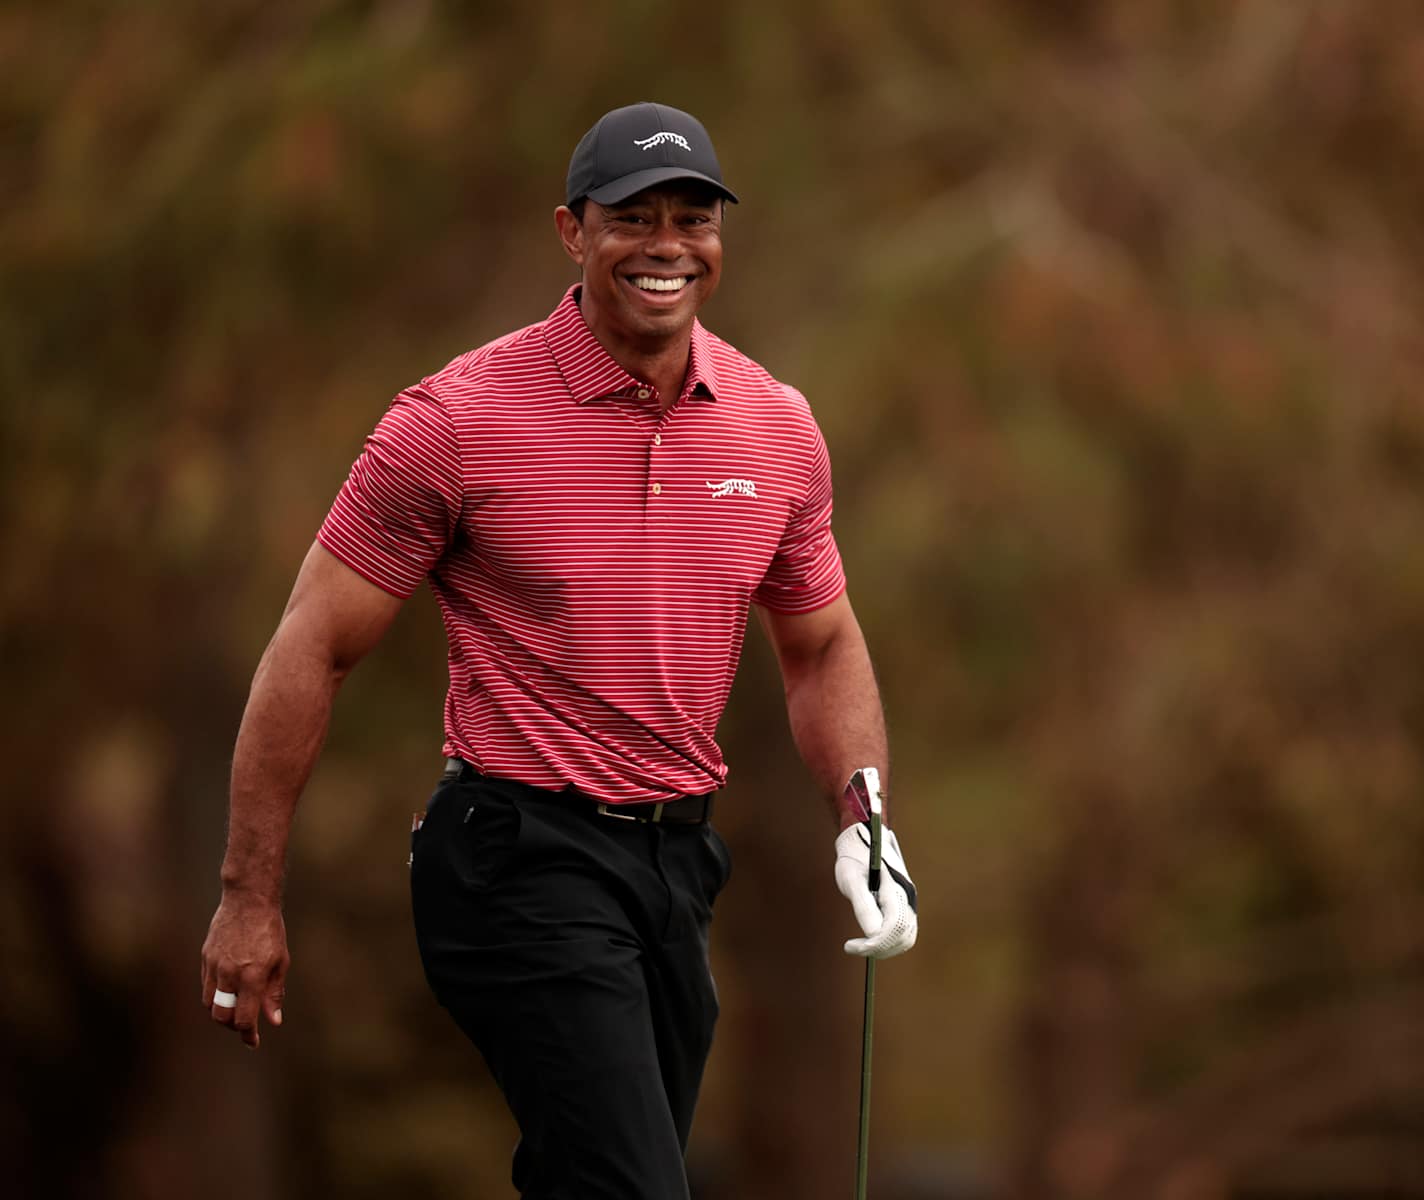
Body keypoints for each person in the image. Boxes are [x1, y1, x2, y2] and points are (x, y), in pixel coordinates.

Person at [198, 101, 919, 1199]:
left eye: (694, 219)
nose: (667, 244)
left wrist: (866, 824)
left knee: (598, 1180)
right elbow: (313, 650)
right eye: (632, 217)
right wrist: (249, 891)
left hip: (678, 866)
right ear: (571, 232)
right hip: (514, 855)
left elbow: (820, 647)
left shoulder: (776, 426)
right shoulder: (455, 421)